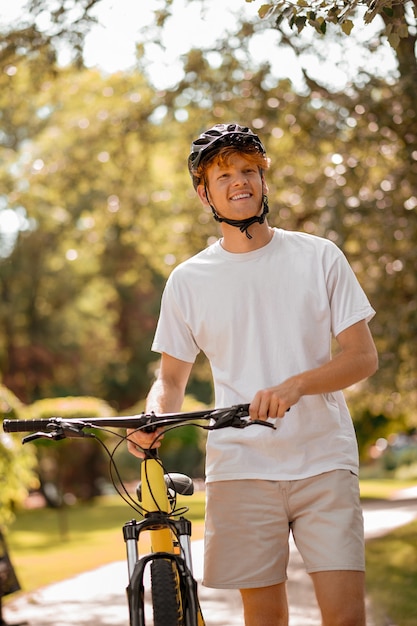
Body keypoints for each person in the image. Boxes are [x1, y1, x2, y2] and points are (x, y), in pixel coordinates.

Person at [127, 123, 378, 626]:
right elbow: (171, 379)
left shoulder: (319, 256)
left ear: (264, 181)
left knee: (346, 617)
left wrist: (297, 385)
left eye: (249, 170)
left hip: (322, 460)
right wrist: (156, 415)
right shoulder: (188, 281)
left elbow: (361, 358)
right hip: (240, 467)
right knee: (263, 618)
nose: (239, 181)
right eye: (224, 176)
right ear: (205, 193)